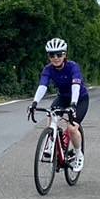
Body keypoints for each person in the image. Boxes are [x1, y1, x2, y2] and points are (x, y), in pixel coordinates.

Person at [27, 36, 88, 171]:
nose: (56, 58)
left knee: (72, 128)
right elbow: (43, 86)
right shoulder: (48, 69)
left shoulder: (73, 67)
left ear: (64, 55)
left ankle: (78, 154)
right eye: (52, 55)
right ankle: (51, 142)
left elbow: (76, 86)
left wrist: (73, 104)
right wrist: (35, 102)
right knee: (51, 115)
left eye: (59, 54)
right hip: (63, 97)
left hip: (79, 99)